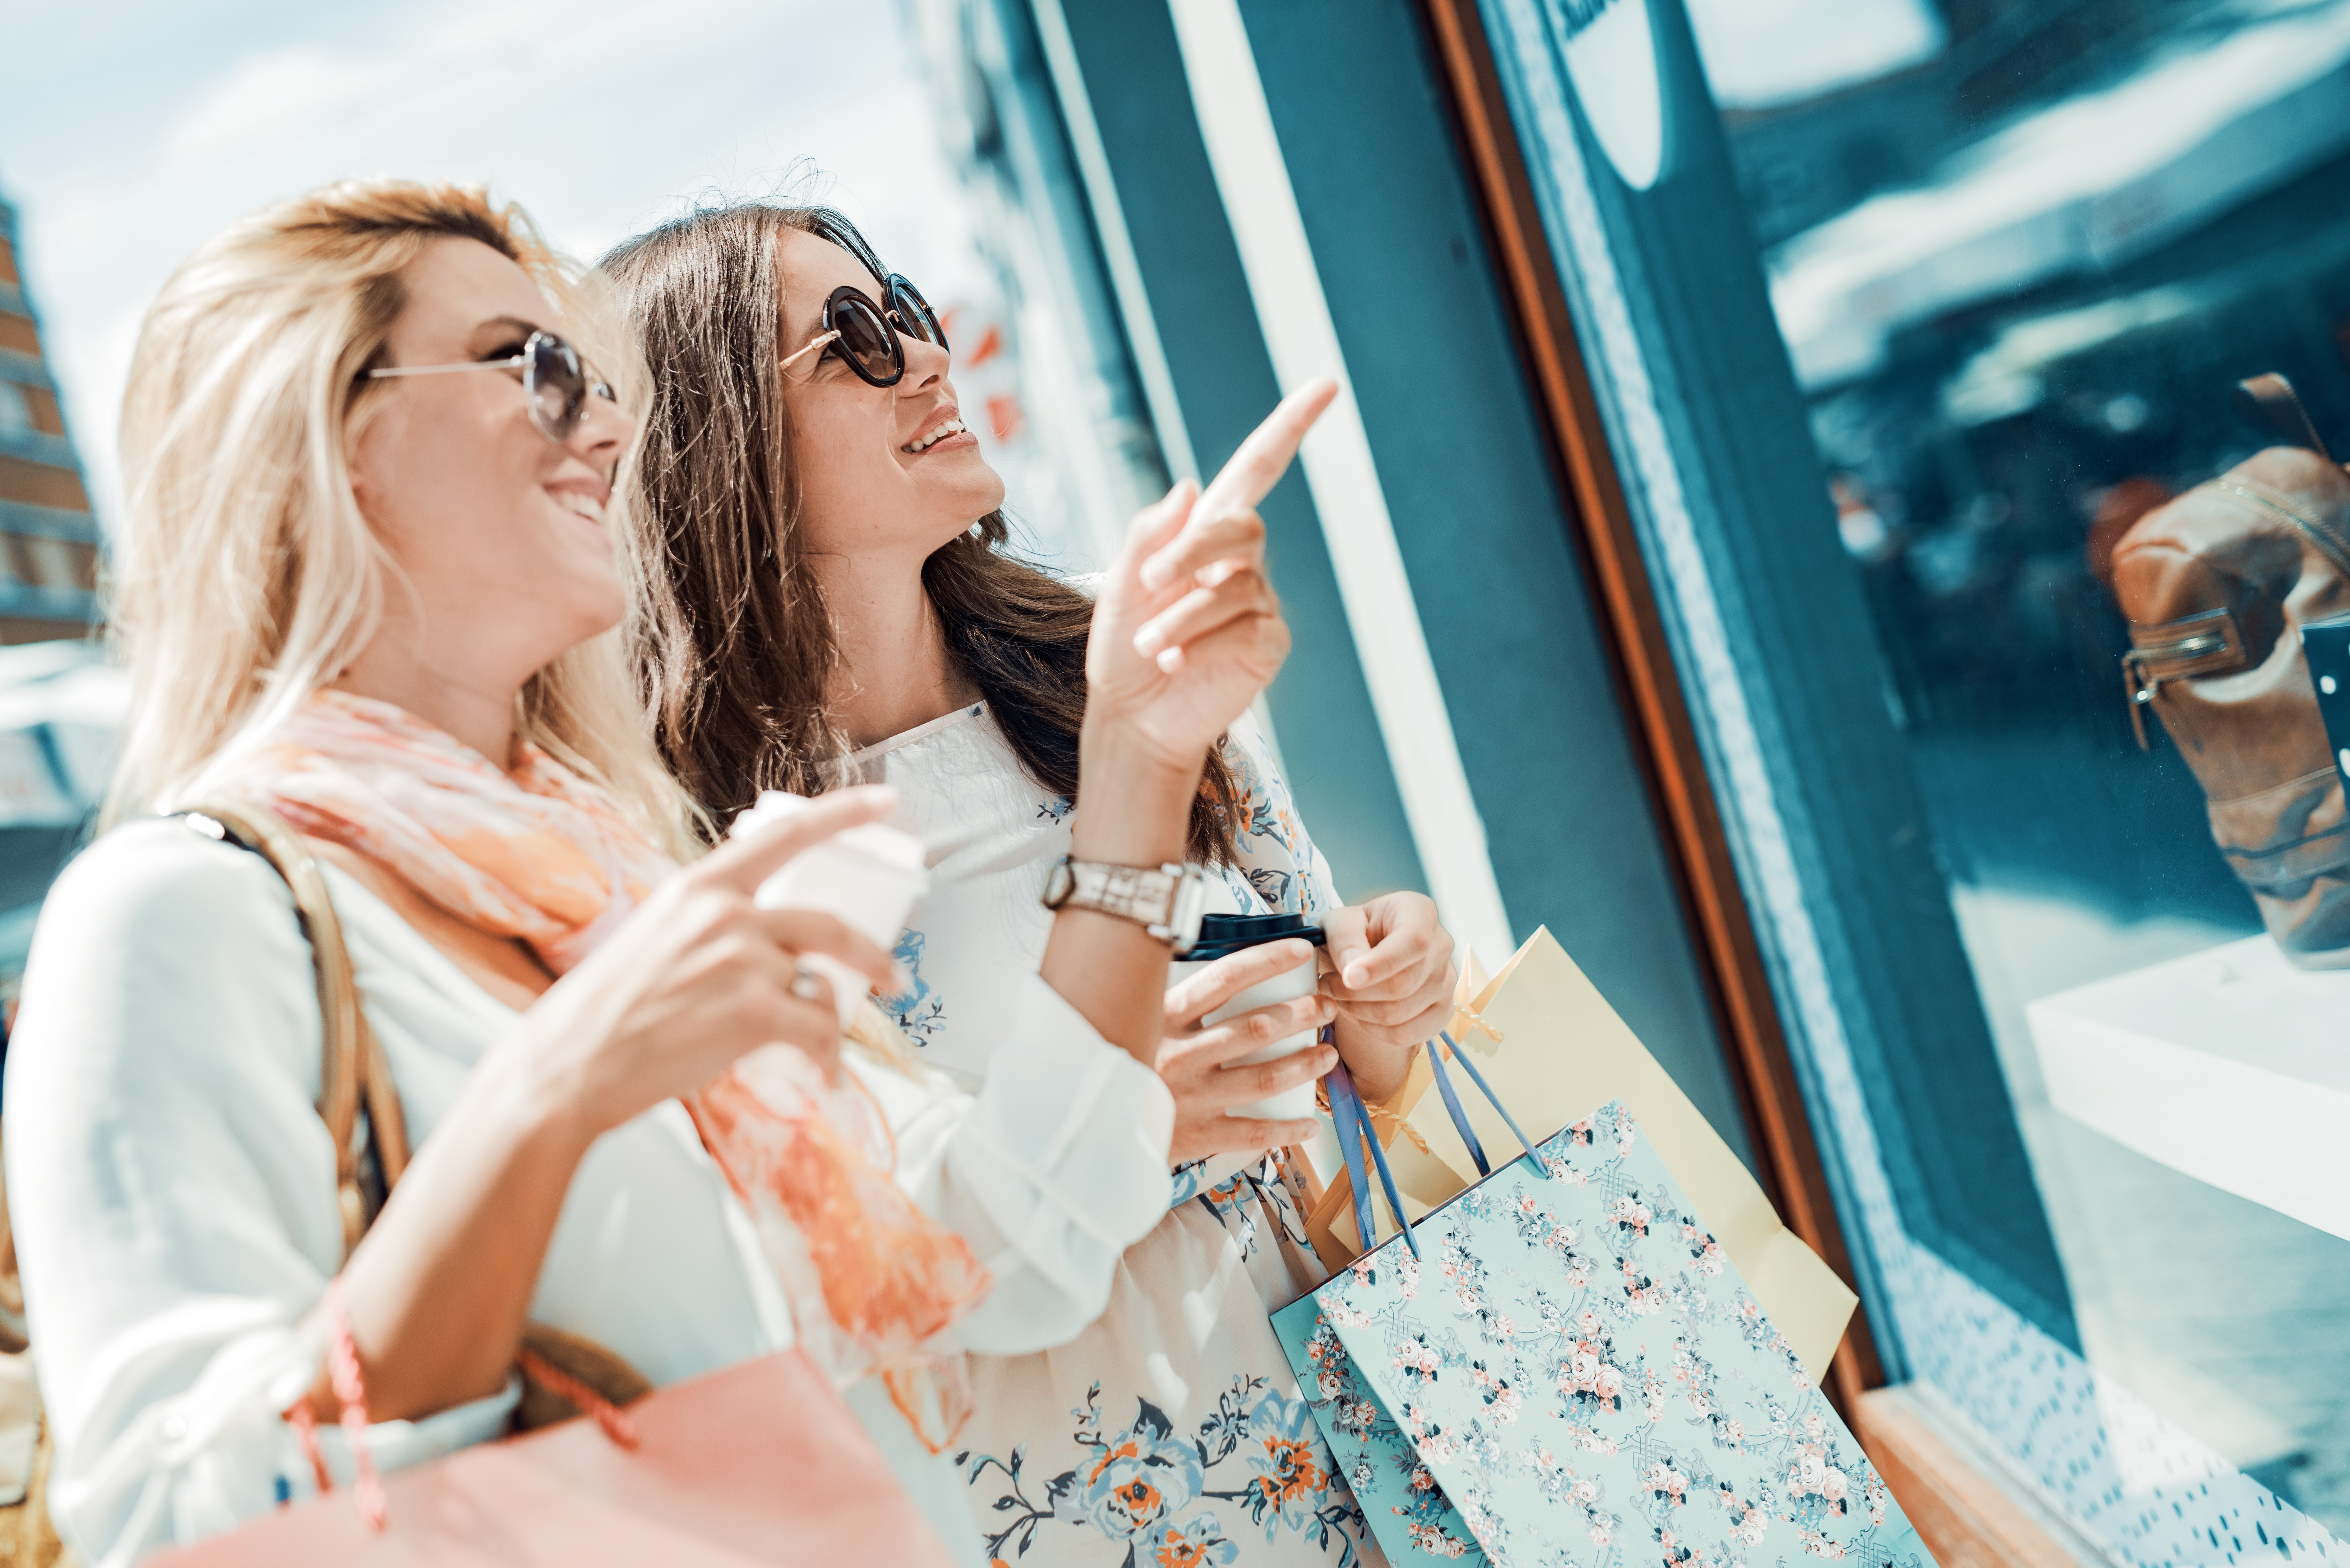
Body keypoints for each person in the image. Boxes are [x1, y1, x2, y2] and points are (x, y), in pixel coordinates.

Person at [2, 179, 1286, 1565]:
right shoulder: (179, 911)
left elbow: (1007, 1251)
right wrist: (553, 1093)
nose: (612, 427)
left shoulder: (608, 879)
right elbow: (170, 1526)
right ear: (335, 432)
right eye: (538, 367)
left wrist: (1139, 771)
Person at [604, 202, 1459, 1567]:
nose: (930, 356)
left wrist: (1383, 985)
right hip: (1108, 1507)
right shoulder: (717, 864)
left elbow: (1336, 1048)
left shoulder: (1092, 669)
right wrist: (1122, 1117)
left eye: (907, 306)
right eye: (854, 341)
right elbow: (864, 1280)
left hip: (1410, 1430)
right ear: (718, 457)